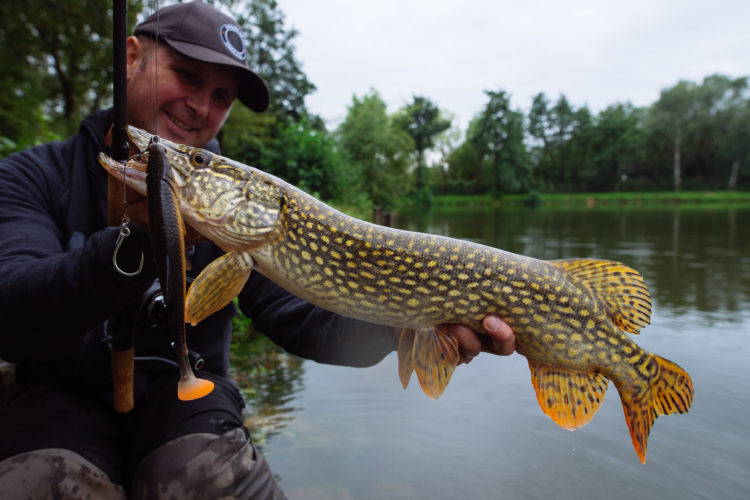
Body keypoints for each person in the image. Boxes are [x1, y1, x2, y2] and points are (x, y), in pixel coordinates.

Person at [0, 2, 515, 498]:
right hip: (56, 396)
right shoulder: (30, 178)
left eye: (222, 96)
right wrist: (137, 246)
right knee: (43, 478)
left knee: (205, 474)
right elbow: (10, 309)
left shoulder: (243, 202)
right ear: (130, 56)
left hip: (190, 394)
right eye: (186, 75)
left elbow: (301, 319)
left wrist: (404, 315)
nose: (201, 106)